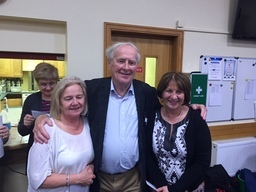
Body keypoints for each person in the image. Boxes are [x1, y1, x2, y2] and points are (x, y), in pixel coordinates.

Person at [33, 42, 207, 192]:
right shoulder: (92, 89)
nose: (126, 66)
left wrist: (190, 107)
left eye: (131, 62)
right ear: (110, 63)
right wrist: (42, 119)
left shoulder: (146, 93)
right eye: (121, 60)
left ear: (136, 66)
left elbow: (170, 107)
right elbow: (70, 103)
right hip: (99, 178)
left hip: (133, 178)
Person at [146, 72, 212, 192]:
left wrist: (174, 189)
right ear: (161, 92)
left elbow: (202, 162)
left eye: (179, 92)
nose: (174, 96)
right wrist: (162, 185)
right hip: (159, 188)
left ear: (185, 94)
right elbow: (146, 156)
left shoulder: (197, 119)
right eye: (169, 91)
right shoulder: (152, 116)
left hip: (190, 188)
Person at [27, 76, 95, 191]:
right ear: (59, 102)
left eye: (79, 97)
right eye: (68, 98)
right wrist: (78, 178)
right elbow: (37, 179)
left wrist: (91, 167)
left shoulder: (88, 124)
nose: (75, 102)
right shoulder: (47, 129)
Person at [17, 62, 59, 173]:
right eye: (43, 84)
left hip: (59, 149)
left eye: (52, 83)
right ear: (37, 83)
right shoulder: (31, 100)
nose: (48, 88)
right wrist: (26, 124)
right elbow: (21, 131)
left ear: (57, 82)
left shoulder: (63, 98)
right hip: (38, 149)